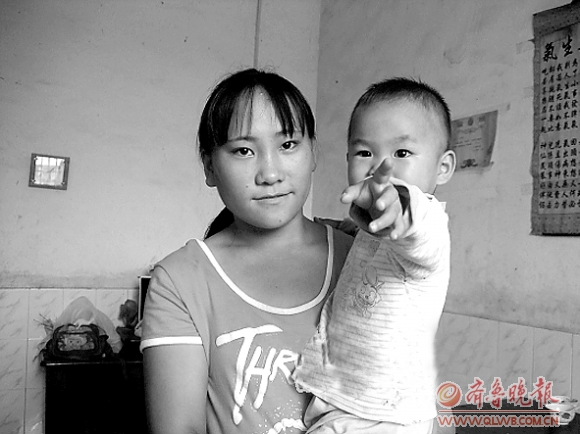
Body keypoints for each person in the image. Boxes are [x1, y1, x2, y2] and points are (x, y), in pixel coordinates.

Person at [139, 68, 358, 434]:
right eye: (243, 150)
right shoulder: (181, 281)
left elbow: (416, 396)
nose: (270, 174)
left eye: (288, 145)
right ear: (209, 166)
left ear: (313, 152)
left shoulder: (362, 259)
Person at [293, 77, 457, 433]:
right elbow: (366, 237)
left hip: (386, 418)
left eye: (402, 153)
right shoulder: (368, 231)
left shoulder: (427, 225)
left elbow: (410, 223)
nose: (380, 167)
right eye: (364, 153)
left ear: (442, 167)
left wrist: (397, 206)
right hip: (346, 404)